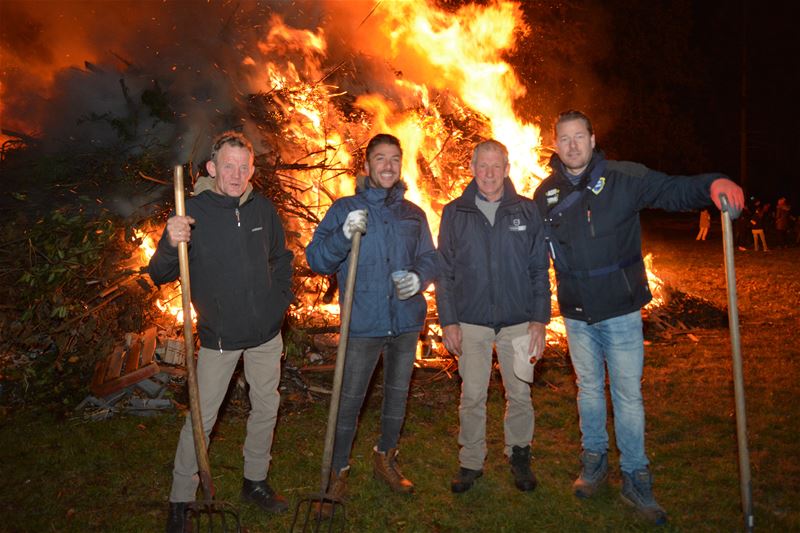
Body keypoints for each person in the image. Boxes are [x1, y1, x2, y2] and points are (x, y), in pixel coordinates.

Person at [533, 110, 744, 525]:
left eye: (579, 137)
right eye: (564, 138)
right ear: (555, 144)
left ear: (593, 140)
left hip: (621, 310)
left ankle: (635, 475)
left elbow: (671, 189)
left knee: (627, 395)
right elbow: (537, 257)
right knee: (588, 391)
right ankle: (594, 462)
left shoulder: (623, 178)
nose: (572, 145)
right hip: (576, 314)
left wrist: (711, 183)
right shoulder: (546, 193)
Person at [148, 131, 294, 533]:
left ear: (252, 170)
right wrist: (170, 241)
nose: (236, 174)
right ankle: (181, 499)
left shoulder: (262, 209)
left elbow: (281, 258)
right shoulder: (191, 213)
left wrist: (279, 303)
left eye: (243, 167)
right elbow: (159, 273)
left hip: (265, 334)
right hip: (220, 337)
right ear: (212, 168)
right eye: (228, 166)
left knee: (266, 407)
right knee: (202, 418)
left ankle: (255, 481)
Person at [306, 133, 437, 510]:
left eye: (394, 158)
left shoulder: (414, 214)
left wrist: (419, 278)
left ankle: (386, 458)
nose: (388, 165)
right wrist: (343, 235)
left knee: (397, 396)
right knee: (349, 401)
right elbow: (317, 259)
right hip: (363, 322)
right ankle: (338, 470)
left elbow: (430, 257)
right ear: (366, 166)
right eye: (380, 158)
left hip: (405, 321)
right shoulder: (345, 209)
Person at [436, 139, 551, 494]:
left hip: (518, 322)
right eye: (482, 166)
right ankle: (471, 461)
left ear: (506, 169)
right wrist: (448, 320)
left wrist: (539, 320)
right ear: (472, 169)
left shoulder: (527, 211)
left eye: (495, 166)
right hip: (471, 322)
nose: (489, 173)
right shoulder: (455, 212)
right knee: (472, 395)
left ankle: (519, 454)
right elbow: (445, 272)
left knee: (519, 393)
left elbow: (539, 269)